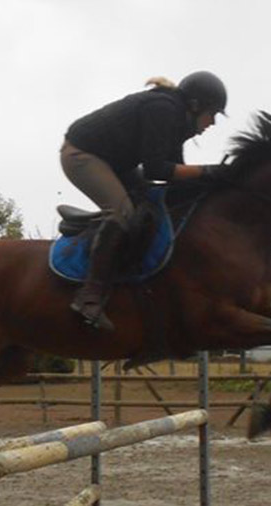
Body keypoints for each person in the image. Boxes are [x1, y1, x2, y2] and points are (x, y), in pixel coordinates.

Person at [61, 70, 229, 331]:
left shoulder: (179, 121)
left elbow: (175, 174)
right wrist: (208, 171)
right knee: (123, 213)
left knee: (152, 204)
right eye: (213, 113)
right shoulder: (164, 110)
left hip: (114, 162)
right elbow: (156, 170)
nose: (213, 122)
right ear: (196, 106)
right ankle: (89, 297)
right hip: (82, 155)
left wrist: (212, 182)